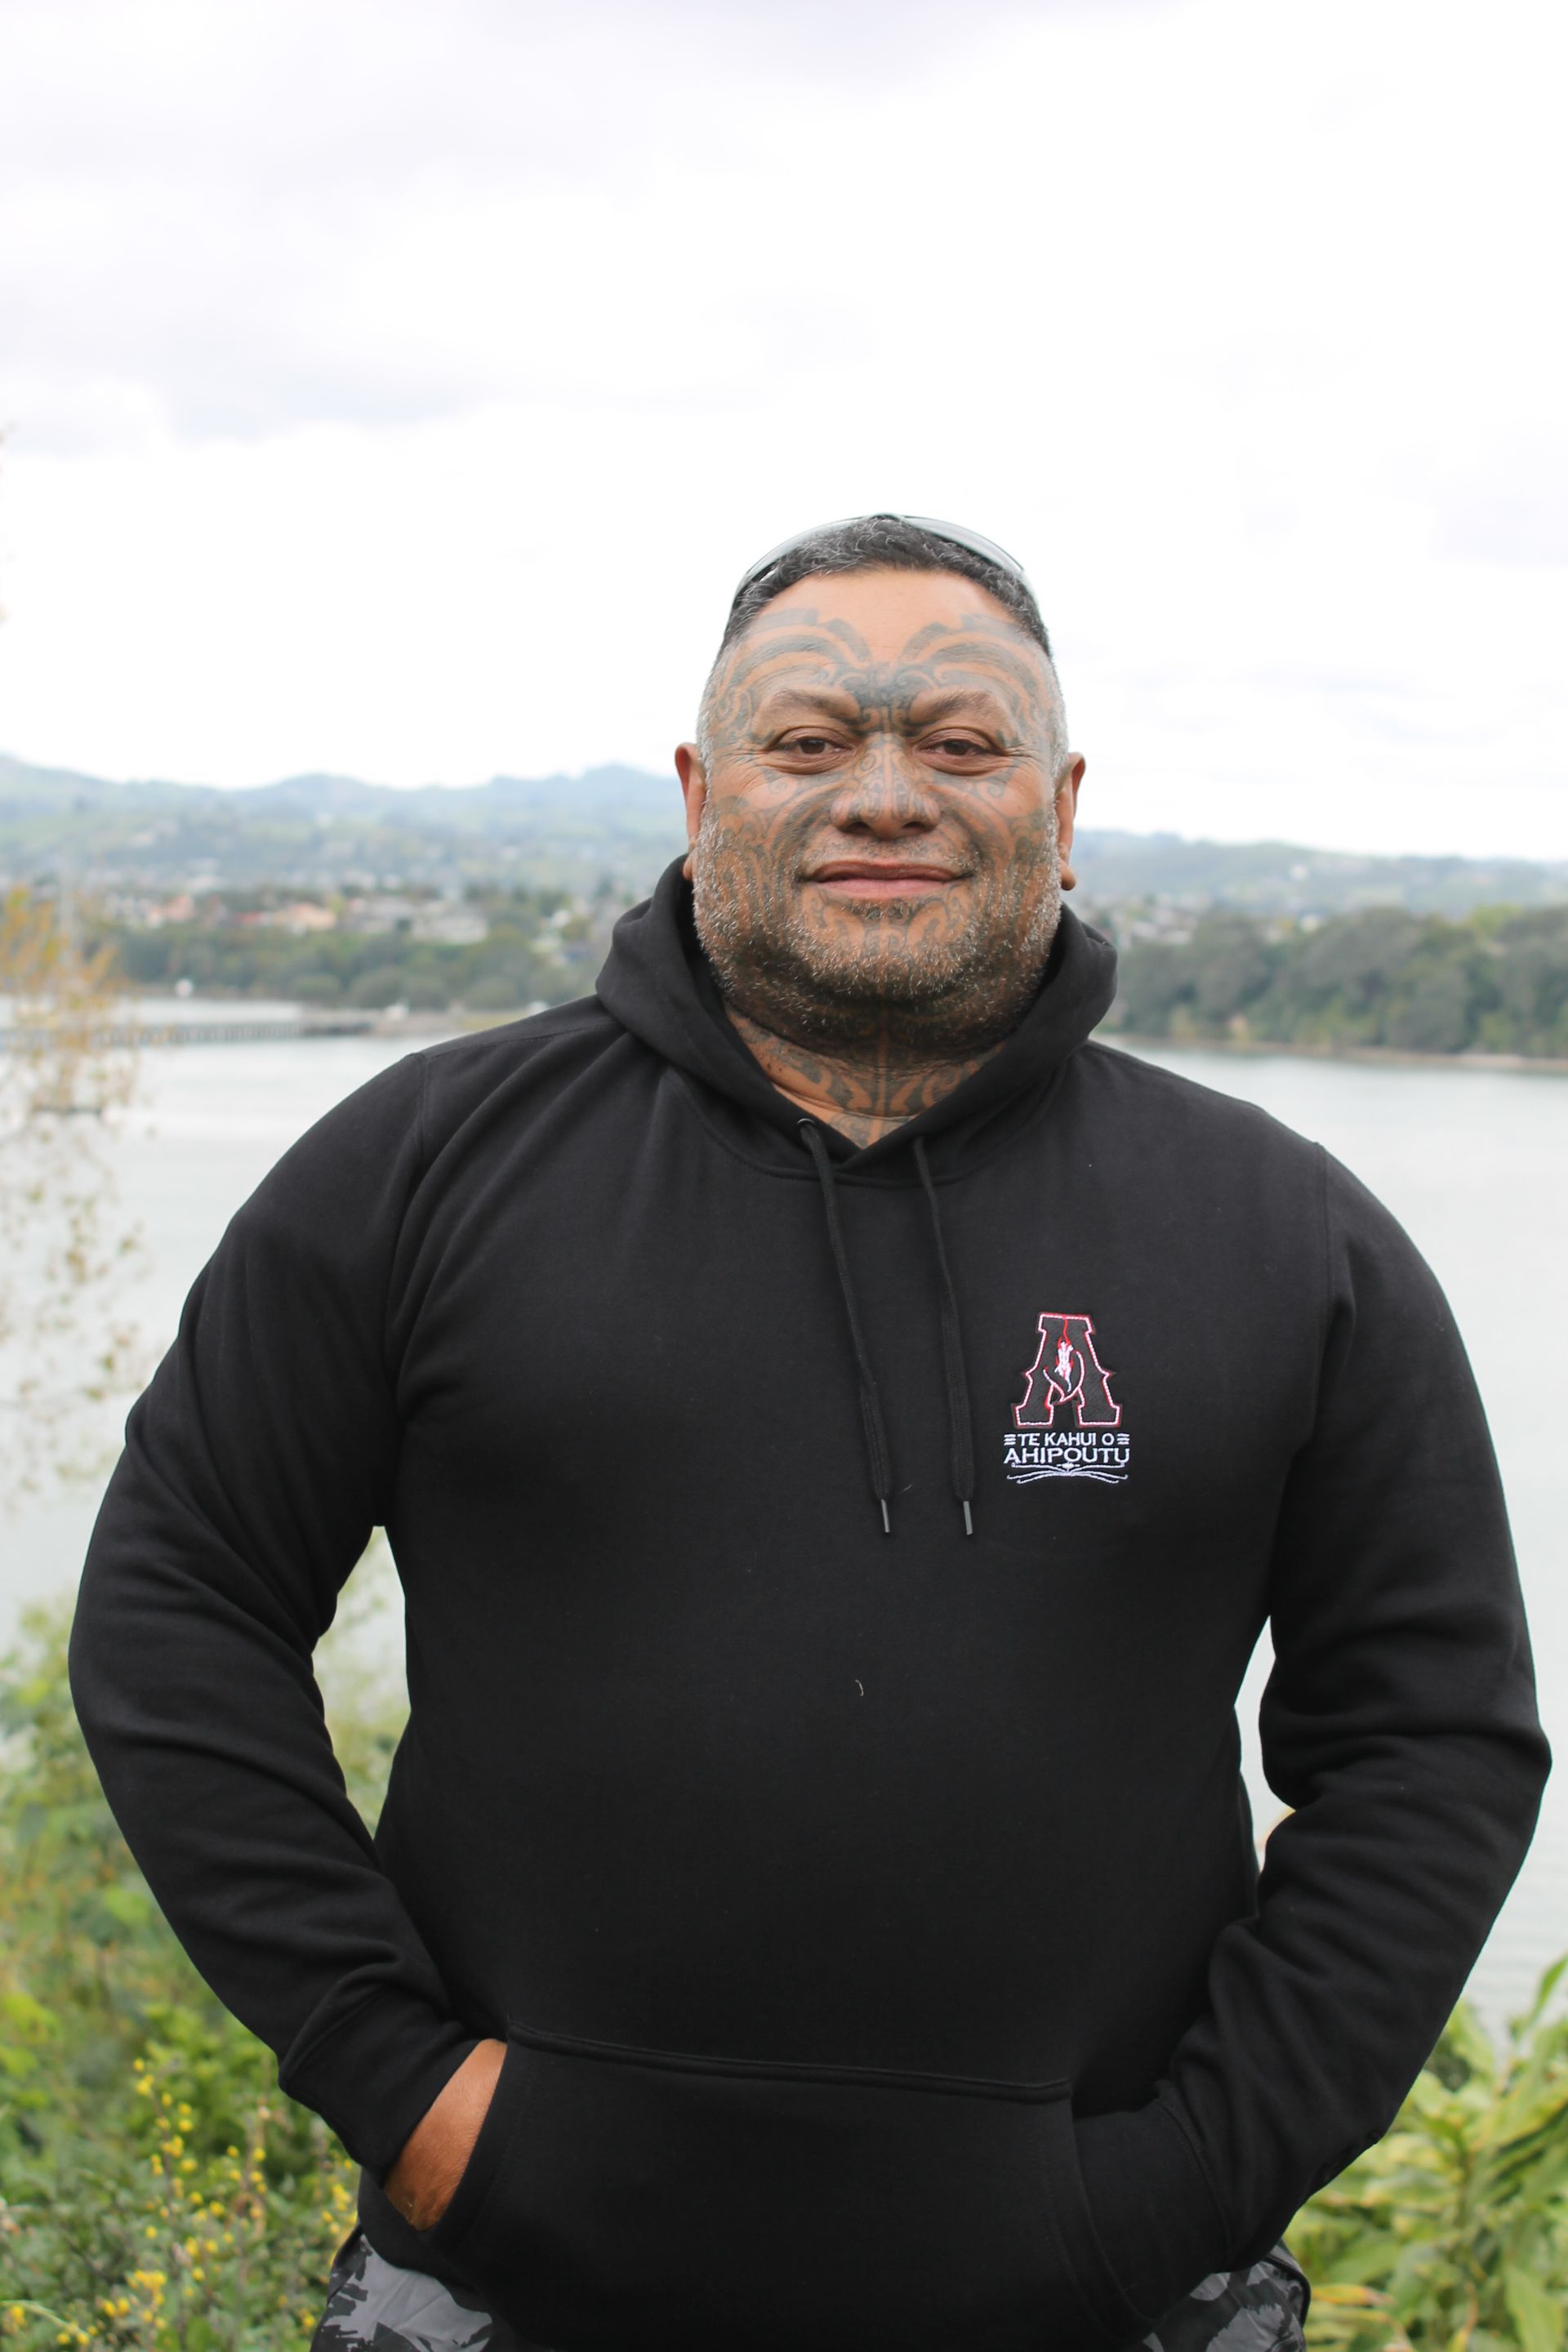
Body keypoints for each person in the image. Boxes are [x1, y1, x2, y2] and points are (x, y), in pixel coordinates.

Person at [71, 514, 1548, 2352]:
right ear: (705, 793)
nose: (885, 792)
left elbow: (1432, 1742)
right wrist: (406, 2088)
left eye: (962, 741)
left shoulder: (1288, 1236)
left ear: (1062, 805)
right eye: (807, 738)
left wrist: (1191, 2180)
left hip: (1117, 2300)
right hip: (505, 2282)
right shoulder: (419, 1170)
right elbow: (180, 1608)